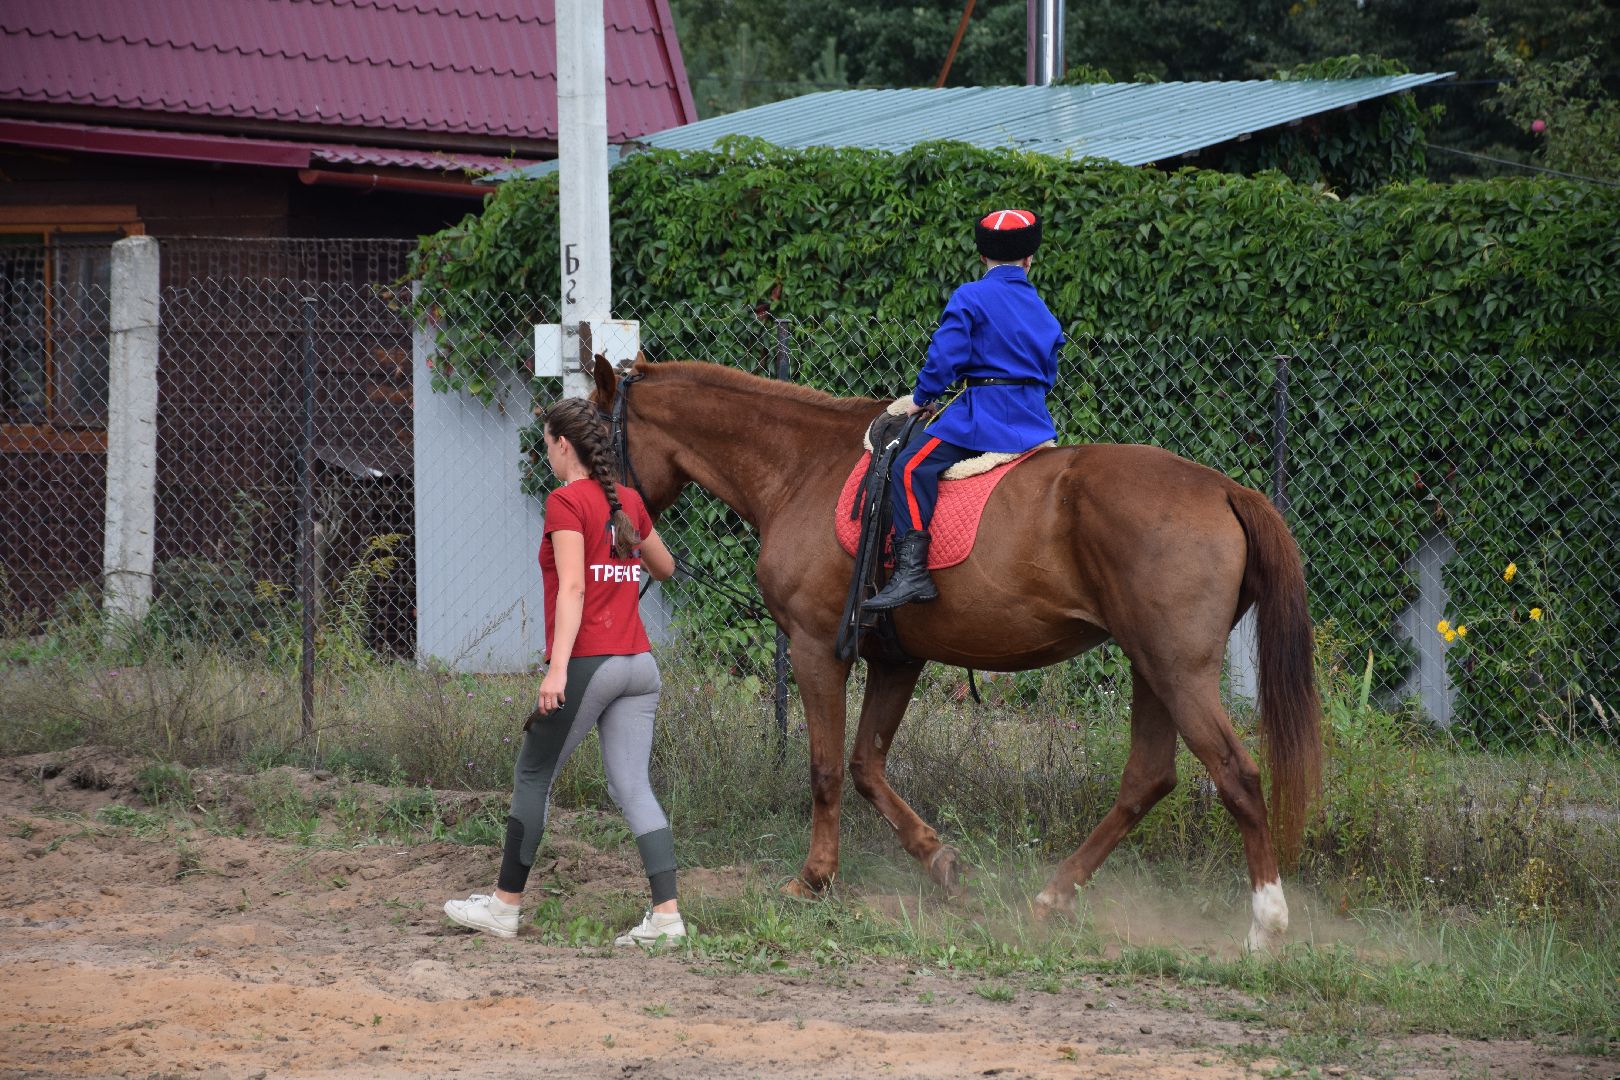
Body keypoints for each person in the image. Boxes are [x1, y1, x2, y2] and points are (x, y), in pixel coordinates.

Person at [444, 397, 684, 946]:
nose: (547, 453)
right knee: (632, 787)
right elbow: (666, 567)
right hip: (639, 665)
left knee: (533, 775)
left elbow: (572, 587)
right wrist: (623, 551)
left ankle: (504, 908)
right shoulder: (626, 501)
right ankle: (667, 918)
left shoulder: (565, 502)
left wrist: (556, 670)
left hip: (591, 663)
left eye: (547, 444)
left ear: (562, 445)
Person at [863, 208, 1065, 611]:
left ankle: (911, 573)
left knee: (908, 467)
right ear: (1029, 259)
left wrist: (922, 398)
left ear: (982, 256)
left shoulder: (971, 296)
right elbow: (1048, 373)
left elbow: (945, 358)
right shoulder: (1042, 310)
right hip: (1033, 419)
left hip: (982, 417)